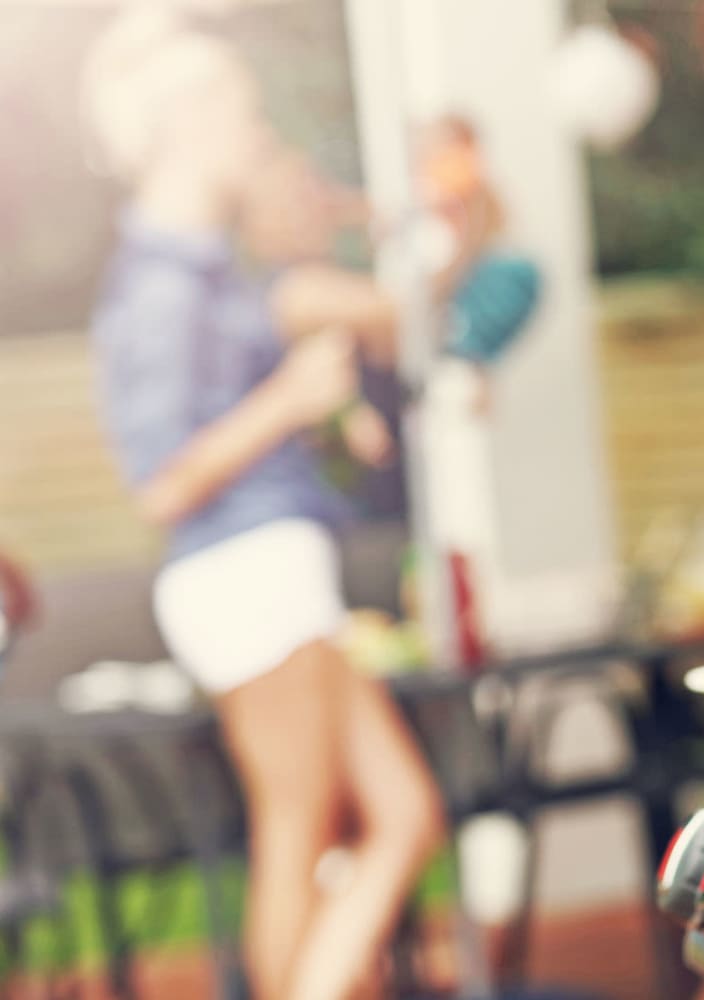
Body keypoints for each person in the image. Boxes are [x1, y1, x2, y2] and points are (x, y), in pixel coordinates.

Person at [83, 11, 443, 999]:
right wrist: (288, 398)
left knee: (404, 812)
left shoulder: (206, 271)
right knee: (300, 828)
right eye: (239, 112)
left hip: (277, 568)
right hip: (244, 577)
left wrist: (305, 412)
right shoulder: (160, 287)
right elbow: (162, 482)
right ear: (187, 121)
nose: (254, 135)